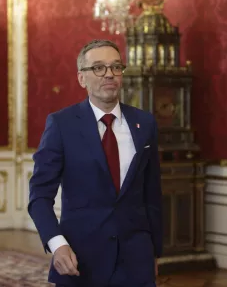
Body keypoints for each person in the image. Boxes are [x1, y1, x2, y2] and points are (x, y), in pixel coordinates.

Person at [28, 39, 163, 287]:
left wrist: (154, 251)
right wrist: (57, 245)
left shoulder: (145, 124)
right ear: (82, 78)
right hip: (80, 261)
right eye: (99, 68)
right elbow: (39, 196)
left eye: (116, 67)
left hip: (136, 260)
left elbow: (151, 194)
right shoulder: (61, 124)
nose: (109, 74)